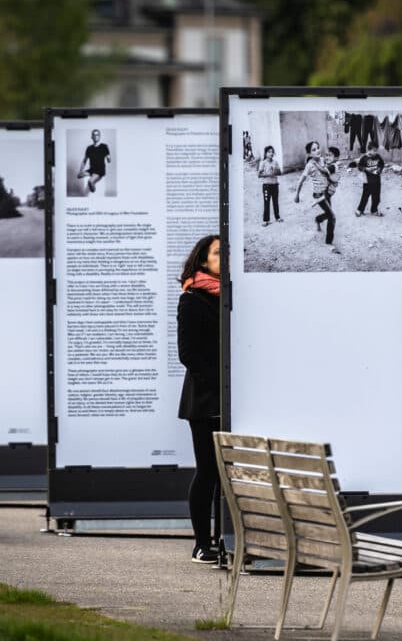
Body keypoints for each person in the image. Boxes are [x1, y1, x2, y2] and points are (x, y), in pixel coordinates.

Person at [176, 235, 221, 564]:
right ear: (203, 261)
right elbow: (188, 353)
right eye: (219, 253)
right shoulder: (192, 299)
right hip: (205, 400)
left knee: (226, 474)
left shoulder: (232, 294)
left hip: (231, 398)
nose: (225, 257)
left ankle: (226, 538)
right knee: (207, 471)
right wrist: (221, 384)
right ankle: (202, 543)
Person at [294, 141, 336, 247]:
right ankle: (329, 242)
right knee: (332, 216)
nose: (317, 150)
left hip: (326, 193)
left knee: (328, 213)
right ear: (309, 154)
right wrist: (297, 195)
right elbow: (301, 180)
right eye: (314, 149)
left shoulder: (322, 160)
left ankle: (318, 220)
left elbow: (328, 171)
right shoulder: (309, 165)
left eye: (318, 148)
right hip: (319, 195)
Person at [355, 140, 385, 216]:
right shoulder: (364, 158)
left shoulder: (378, 156)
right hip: (367, 181)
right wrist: (366, 169)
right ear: (369, 150)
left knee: (376, 197)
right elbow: (359, 167)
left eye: (376, 150)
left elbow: (382, 164)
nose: (376, 152)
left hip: (377, 180)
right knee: (365, 196)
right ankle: (359, 210)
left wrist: (379, 169)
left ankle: (374, 210)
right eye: (374, 151)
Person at [77, 129, 111, 194]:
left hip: (100, 171)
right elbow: (84, 161)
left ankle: (93, 187)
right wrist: (80, 171)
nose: (96, 136)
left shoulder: (104, 146)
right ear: (92, 137)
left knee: (90, 181)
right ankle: (92, 177)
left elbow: (109, 160)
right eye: (94, 135)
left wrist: (108, 157)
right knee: (79, 176)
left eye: (97, 135)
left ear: (99, 136)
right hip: (92, 170)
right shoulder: (89, 148)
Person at [258, 146, 283, 226]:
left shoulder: (275, 162)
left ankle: (277, 217)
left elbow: (280, 172)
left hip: (275, 185)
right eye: (269, 152)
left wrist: (275, 171)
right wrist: (268, 174)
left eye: (272, 152)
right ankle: (266, 220)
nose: (271, 153)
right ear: (266, 153)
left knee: (275, 202)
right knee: (266, 202)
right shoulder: (263, 163)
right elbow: (259, 175)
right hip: (267, 186)